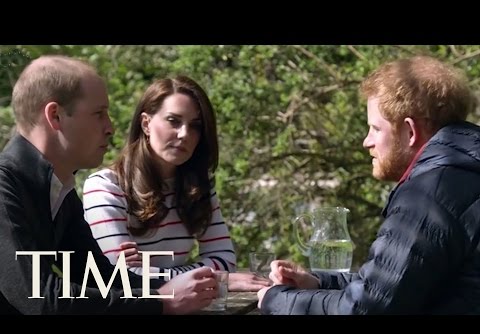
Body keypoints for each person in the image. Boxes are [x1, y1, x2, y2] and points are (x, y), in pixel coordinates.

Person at [258, 55, 480, 315]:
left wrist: (276, 299)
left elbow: (367, 308)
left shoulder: (429, 195)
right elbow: (399, 287)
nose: (366, 142)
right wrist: (319, 282)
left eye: (375, 128)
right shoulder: (463, 173)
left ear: (410, 131)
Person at [0, 55, 218, 315]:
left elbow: (101, 277)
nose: (111, 128)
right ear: (55, 116)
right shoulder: (6, 187)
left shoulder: (57, 188)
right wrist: (162, 302)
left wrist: (190, 286)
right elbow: (41, 298)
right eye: (99, 114)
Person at [82, 75, 269, 292]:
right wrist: (215, 278)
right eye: (173, 121)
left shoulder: (198, 186)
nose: (184, 134)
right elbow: (120, 275)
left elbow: (225, 259)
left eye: (195, 126)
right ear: (146, 124)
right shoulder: (105, 187)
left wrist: (176, 277)